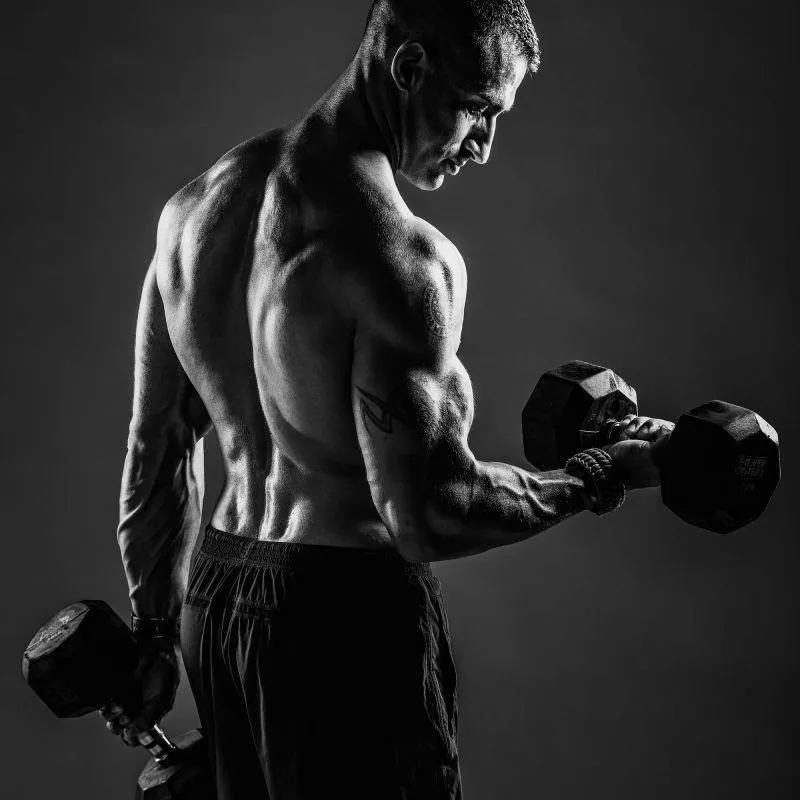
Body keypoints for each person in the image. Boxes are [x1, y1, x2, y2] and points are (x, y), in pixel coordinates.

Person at [101, 1, 672, 797]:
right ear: (407, 68)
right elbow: (427, 513)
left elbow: (156, 447)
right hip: (340, 620)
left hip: (217, 601)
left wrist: (156, 635)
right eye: (475, 107)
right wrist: (600, 474)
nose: (484, 143)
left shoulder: (191, 214)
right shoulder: (400, 257)